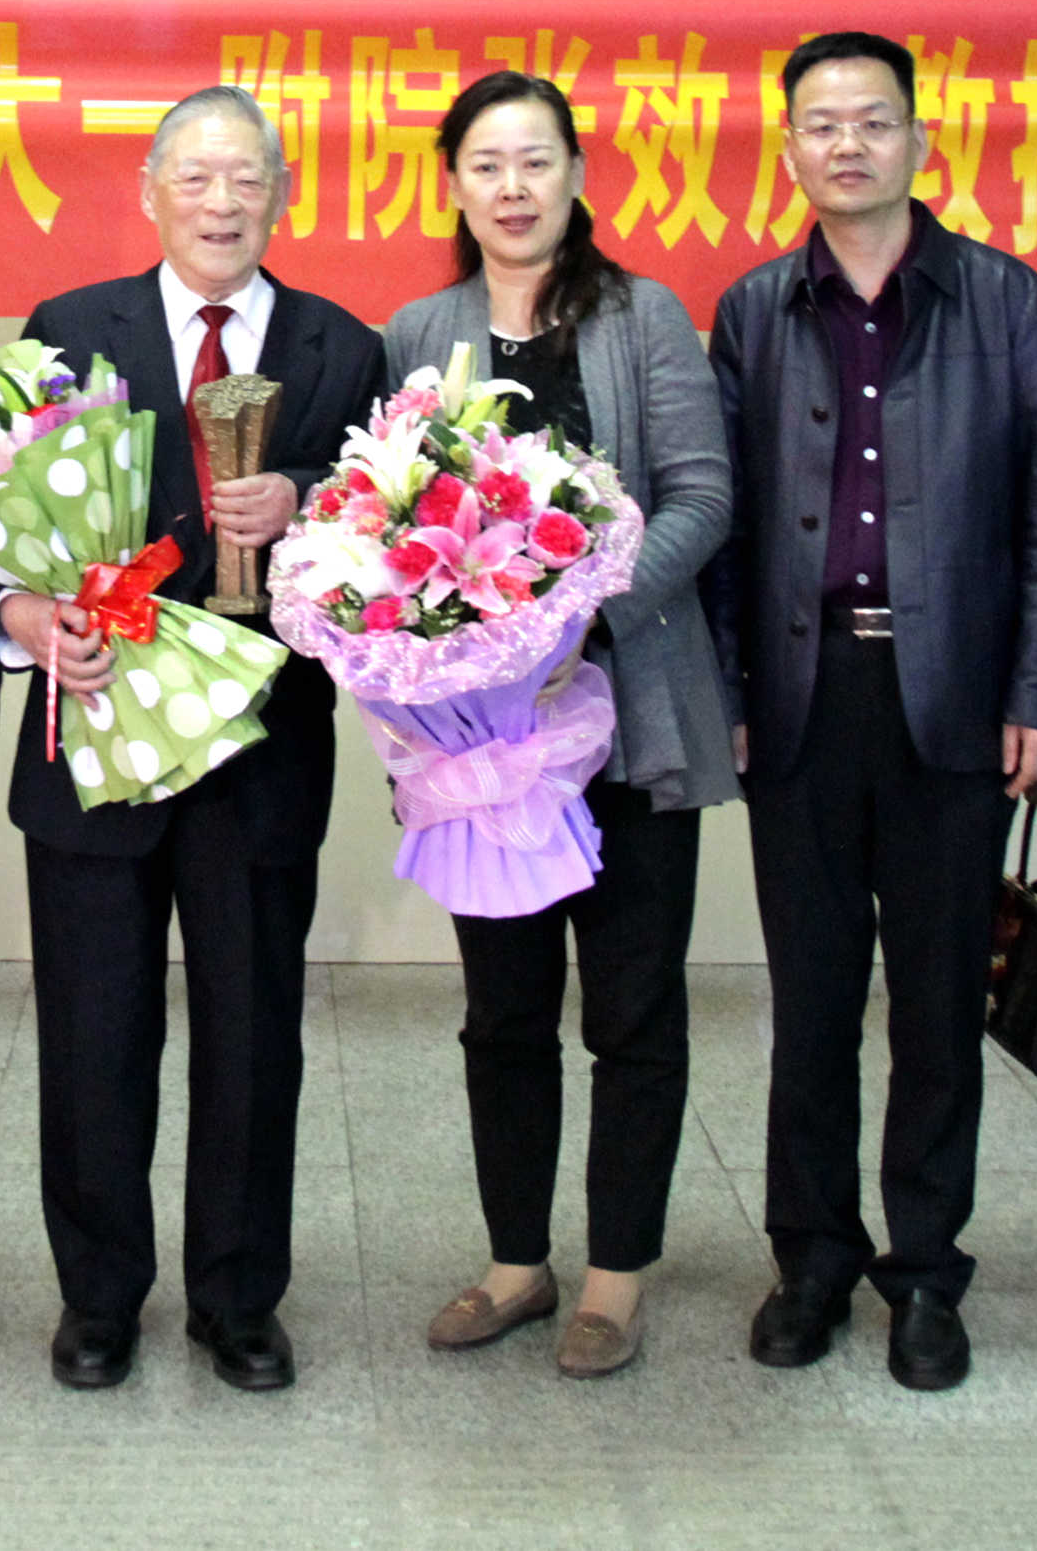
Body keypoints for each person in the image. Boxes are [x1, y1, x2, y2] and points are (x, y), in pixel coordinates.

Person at [0, 85, 386, 1391]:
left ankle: (237, 1295)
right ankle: (99, 1294)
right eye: (197, 178)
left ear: (283, 196)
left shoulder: (343, 344)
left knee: (253, 1034)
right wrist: (27, 619)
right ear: (150, 193)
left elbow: (384, 531)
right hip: (100, 729)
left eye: (247, 180)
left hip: (260, 750)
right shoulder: (68, 329)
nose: (222, 203)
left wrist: (309, 500)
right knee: (92, 1034)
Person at [705, 31, 1037, 1392]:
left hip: (955, 700)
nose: (847, 144)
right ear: (789, 148)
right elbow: (728, 524)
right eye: (821, 123)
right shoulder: (755, 307)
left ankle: (924, 1269)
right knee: (809, 1002)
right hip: (804, 699)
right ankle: (810, 1257)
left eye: (873, 120)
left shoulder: (1002, 298)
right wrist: (732, 690)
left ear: (920, 139)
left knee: (935, 1003)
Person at [379, 72, 733, 1380]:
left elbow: (702, 495)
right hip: (487, 746)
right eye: (487, 163)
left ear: (577, 176)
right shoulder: (420, 331)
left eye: (536, 160)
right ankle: (517, 1262)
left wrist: (583, 613)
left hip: (628, 724)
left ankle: (616, 1276)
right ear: (454, 183)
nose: (513, 187)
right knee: (503, 1013)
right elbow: (386, 515)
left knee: (632, 1009)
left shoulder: (645, 317)